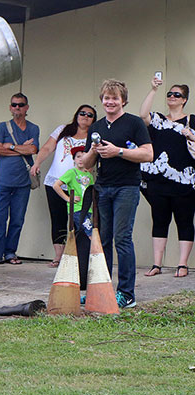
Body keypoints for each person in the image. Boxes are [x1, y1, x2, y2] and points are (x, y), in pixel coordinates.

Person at [83, 79, 153, 308]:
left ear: (123, 100)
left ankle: (127, 294)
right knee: (102, 241)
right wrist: (94, 151)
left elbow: (148, 154)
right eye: (106, 98)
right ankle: (99, 290)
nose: (110, 102)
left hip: (127, 187)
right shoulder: (96, 127)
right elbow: (85, 162)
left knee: (122, 239)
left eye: (114, 98)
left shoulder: (134, 123)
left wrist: (118, 151)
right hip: (103, 187)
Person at [139, 77, 195, 278]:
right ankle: (157, 263)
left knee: (185, 221)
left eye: (176, 95)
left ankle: (182, 263)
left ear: (184, 100)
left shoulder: (192, 120)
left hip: (184, 181)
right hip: (158, 180)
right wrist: (153, 89)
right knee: (159, 220)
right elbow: (143, 114)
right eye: (169, 94)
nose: (172, 97)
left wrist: (191, 136)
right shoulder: (158, 119)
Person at [30, 105, 97, 267]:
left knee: (80, 220)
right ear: (76, 114)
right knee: (58, 218)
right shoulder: (63, 130)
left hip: (78, 184)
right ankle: (58, 256)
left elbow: (94, 159)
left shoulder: (93, 136)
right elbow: (47, 147)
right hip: (55, 181)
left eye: (90, 115)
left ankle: (76, 256)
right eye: (82, 113)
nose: (85, 116)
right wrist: (37, 163)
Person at [0, 93, 39, 265]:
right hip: (3, 181)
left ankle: (10, 252)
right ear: (10, 107)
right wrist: (23, 148)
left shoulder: (33, 128)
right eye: (14, 105)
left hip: (23, 181)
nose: (17, 108)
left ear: (26, 107)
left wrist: (11, 146)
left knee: (17, 218)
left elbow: (33, 150)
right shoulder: (3, 126)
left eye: (21, 105)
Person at [53, 146, 94, 238]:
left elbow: (92, 191)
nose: (80, 159)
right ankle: (93, 252)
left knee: (82, 234)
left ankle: (82, 251)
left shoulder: (89, 175)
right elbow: (56, 185)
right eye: (78, 157)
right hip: (76, 209)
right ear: (74, 159)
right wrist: (68, 198)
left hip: (87, 209)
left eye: (83, 157)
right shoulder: (71, 172)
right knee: (89, 232)